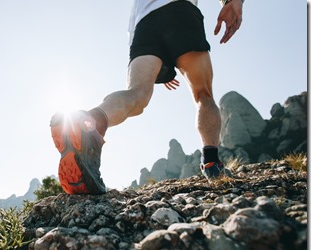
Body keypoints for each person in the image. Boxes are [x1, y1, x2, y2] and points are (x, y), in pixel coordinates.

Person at [50, 0, 244, 194]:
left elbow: (132, 27)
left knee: (137, 94)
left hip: (145, 24)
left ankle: (85, 122)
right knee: (203, 95)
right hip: (180, 11)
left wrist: (159, 67)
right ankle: (211, 163)